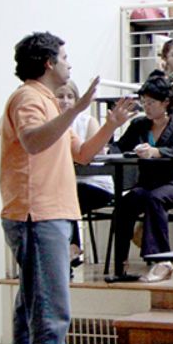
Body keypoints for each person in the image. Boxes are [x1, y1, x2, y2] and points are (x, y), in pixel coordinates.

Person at [1, 31, 133, 344]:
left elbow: (82, 154)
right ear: (48, 63)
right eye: (63, 57)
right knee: (50, 308)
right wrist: (75, 111)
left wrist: (110, 124)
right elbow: (32, 142)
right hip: (36, 213)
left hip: (48, 212)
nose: (69, 63)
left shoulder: (48, 101)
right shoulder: (29, 98)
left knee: (32, 304)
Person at [113, 73, 173, 283]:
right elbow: (120, 146)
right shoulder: (140, 125)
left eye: (151, 102)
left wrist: (156, 152)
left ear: (166, 102)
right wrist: (110, 139)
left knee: (155, 199)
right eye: (144, 102)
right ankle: (120, 264)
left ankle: (163, 261)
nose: (147, 107)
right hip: (150, 184)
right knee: (125, 203)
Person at [54, 81, 114, 269]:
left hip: (95, 183)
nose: (65, 101)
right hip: (66, 184)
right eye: (60, 96)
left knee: (66, 198)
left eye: (70, 96)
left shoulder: (87, 122)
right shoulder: (50, 124)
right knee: (58, 198)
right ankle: (68, 250)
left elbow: (94, 154)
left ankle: (72, 247)